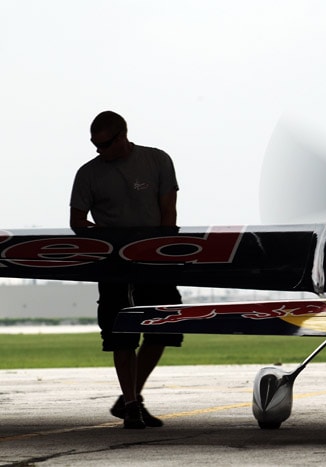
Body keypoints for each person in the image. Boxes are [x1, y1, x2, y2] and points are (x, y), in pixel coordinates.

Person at [69, 110, 184, 429]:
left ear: (122, 136)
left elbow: (168, 211)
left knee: (164, 329)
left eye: (105, 145)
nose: (99, 151)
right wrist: (107, 242)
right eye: (95, 145)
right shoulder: (88, 174)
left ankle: (131, 397)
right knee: (120, 336)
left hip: (154, 261)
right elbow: (77, 221)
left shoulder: (158, 160)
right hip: (114, 266)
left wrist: (161, 252)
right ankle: (132, 403)